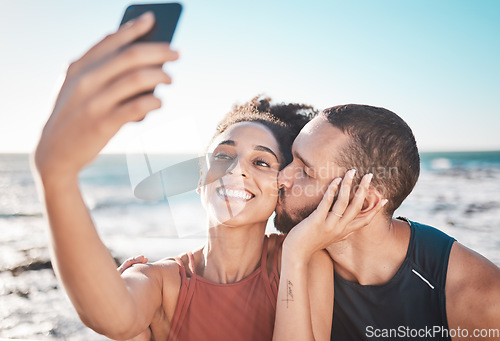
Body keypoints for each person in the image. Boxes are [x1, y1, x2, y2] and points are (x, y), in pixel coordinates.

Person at [34, 12, 377, 340]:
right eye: (223, 156)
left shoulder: (303, 257)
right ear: (201, 178)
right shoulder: (163, 281)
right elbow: (111, 318)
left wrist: (298, 251)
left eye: (261, 163)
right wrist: (57, 176)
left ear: (281, 186)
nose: (236, 168)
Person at [272, 104, 500, 340]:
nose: (281, 177)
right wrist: (295, 252)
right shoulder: (304, 257)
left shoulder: (480, 298)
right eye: (291, 159)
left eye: (305, 172)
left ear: (363, 204)